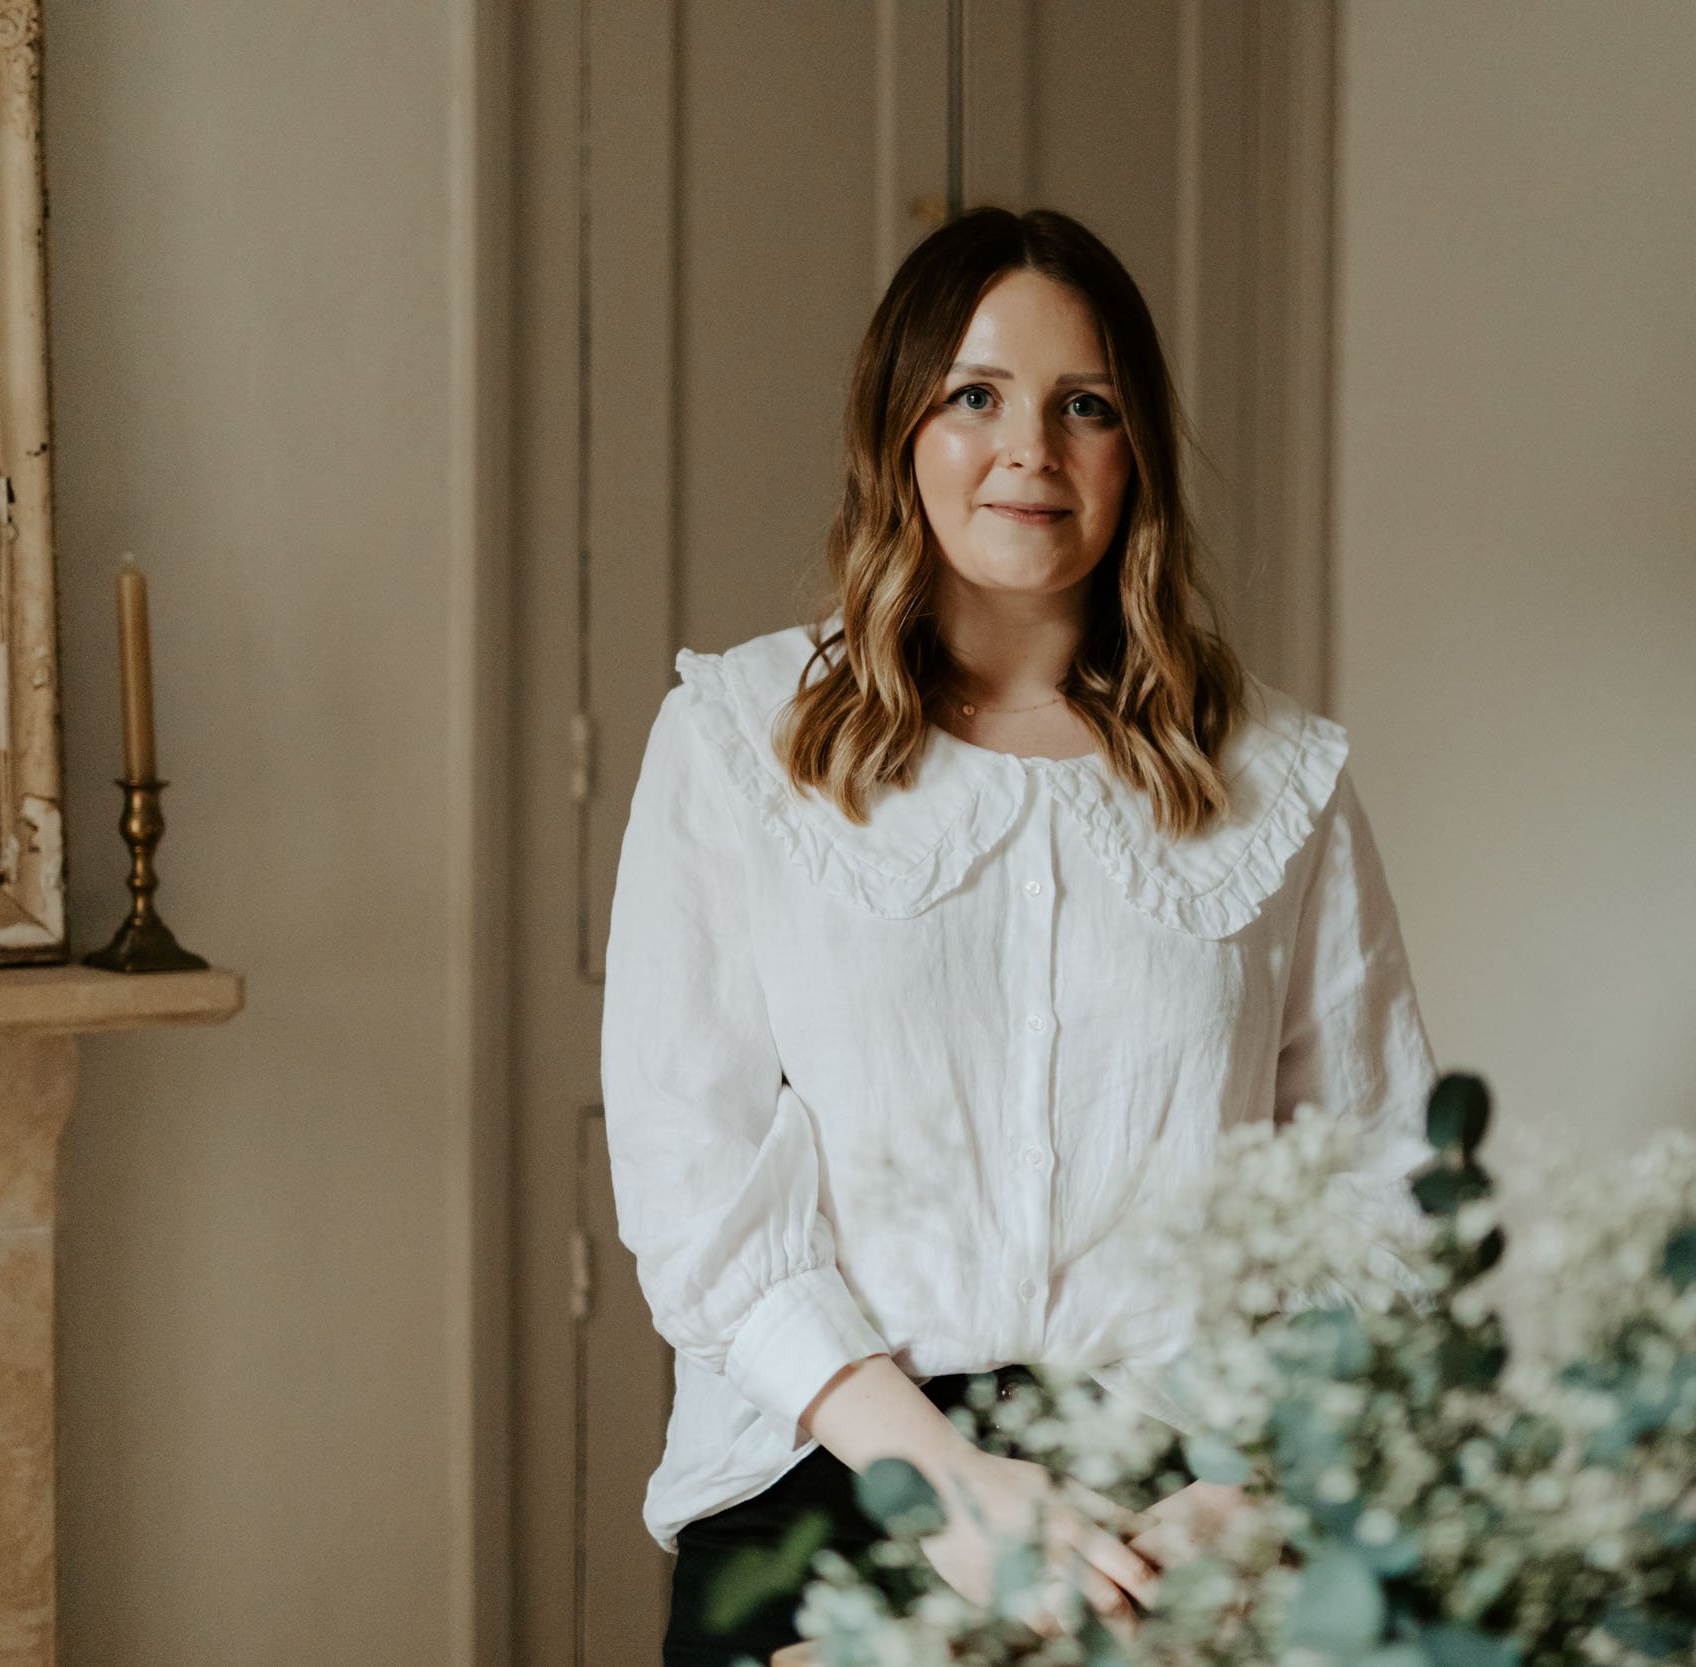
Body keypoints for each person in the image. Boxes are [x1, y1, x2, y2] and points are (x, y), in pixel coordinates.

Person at [602, 206, 1438, 1667]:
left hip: (1183, 1502)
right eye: (976, 396)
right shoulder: (737, 739)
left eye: (1084, 406)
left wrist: (1254, 1499)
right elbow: (693, 1186)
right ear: (899, 431)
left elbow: (1380, 1186)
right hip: (833, 1467)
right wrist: (948, 1488)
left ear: (1137, 451)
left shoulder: (1279, 777)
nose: (1030, 451)